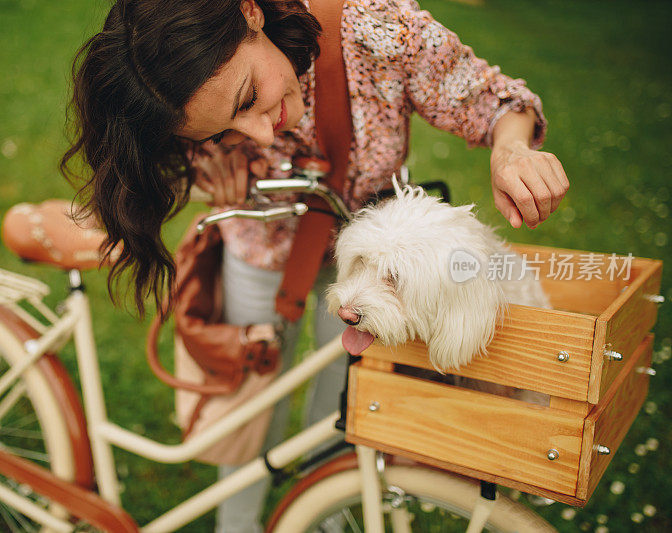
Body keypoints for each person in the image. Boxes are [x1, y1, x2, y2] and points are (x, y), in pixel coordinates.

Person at [61, 1, 569, 531]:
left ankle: (325, 514)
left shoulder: (379, 29)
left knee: (344, 403)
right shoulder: (185, 95)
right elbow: (168, 155)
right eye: (223, 128)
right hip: (260, 245)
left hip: (372, 256)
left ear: (250, 12)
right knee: (251, 402)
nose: (259, 134)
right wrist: (207, 164)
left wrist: (511, 150)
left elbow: (494, 100)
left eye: (249, 98)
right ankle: (237, 524)